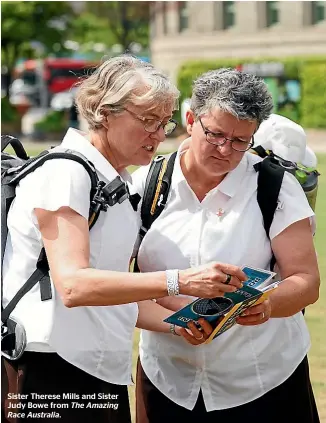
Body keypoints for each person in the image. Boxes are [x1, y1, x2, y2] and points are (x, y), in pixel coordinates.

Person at [1, 58, 246, 423]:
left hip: (96, 372)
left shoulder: (117, 182)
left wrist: (182, 322)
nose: (160, 135)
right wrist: (181, 279)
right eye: (148, 119)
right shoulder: (66, 172)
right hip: (47, 371)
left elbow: (114, 294)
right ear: (104, 111)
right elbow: (74, 286)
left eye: (165, 123)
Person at [132, 68, 321, 423]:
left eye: (240, 141)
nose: (225, 150)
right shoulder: (145, 185)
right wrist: (174, 323)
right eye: (215, 134)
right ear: (190, 119)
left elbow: (306, 280)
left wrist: (267, 304)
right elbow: (117, 285)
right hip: (168, 380)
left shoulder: (276, 188)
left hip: (263, 380)